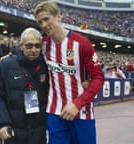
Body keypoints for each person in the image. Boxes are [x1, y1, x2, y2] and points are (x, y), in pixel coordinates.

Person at [33, 1, 104, 144]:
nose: (44, 25)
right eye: (40, 22)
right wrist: (13, 56)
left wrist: (77, 103)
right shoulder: (44, 44)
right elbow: (26, 51)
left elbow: (98, 78)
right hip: (54, 112)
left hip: (81, 112)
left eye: (46, 19)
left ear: (59, 17)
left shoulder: (82, 44)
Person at [0, 27, 49, 144]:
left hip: (39, 133)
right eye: (29, 46)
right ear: (21, 45)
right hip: (13, 133)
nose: (33, 49)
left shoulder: (47, 66)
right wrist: (2, 123)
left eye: (37, 46)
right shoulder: (6, 65)